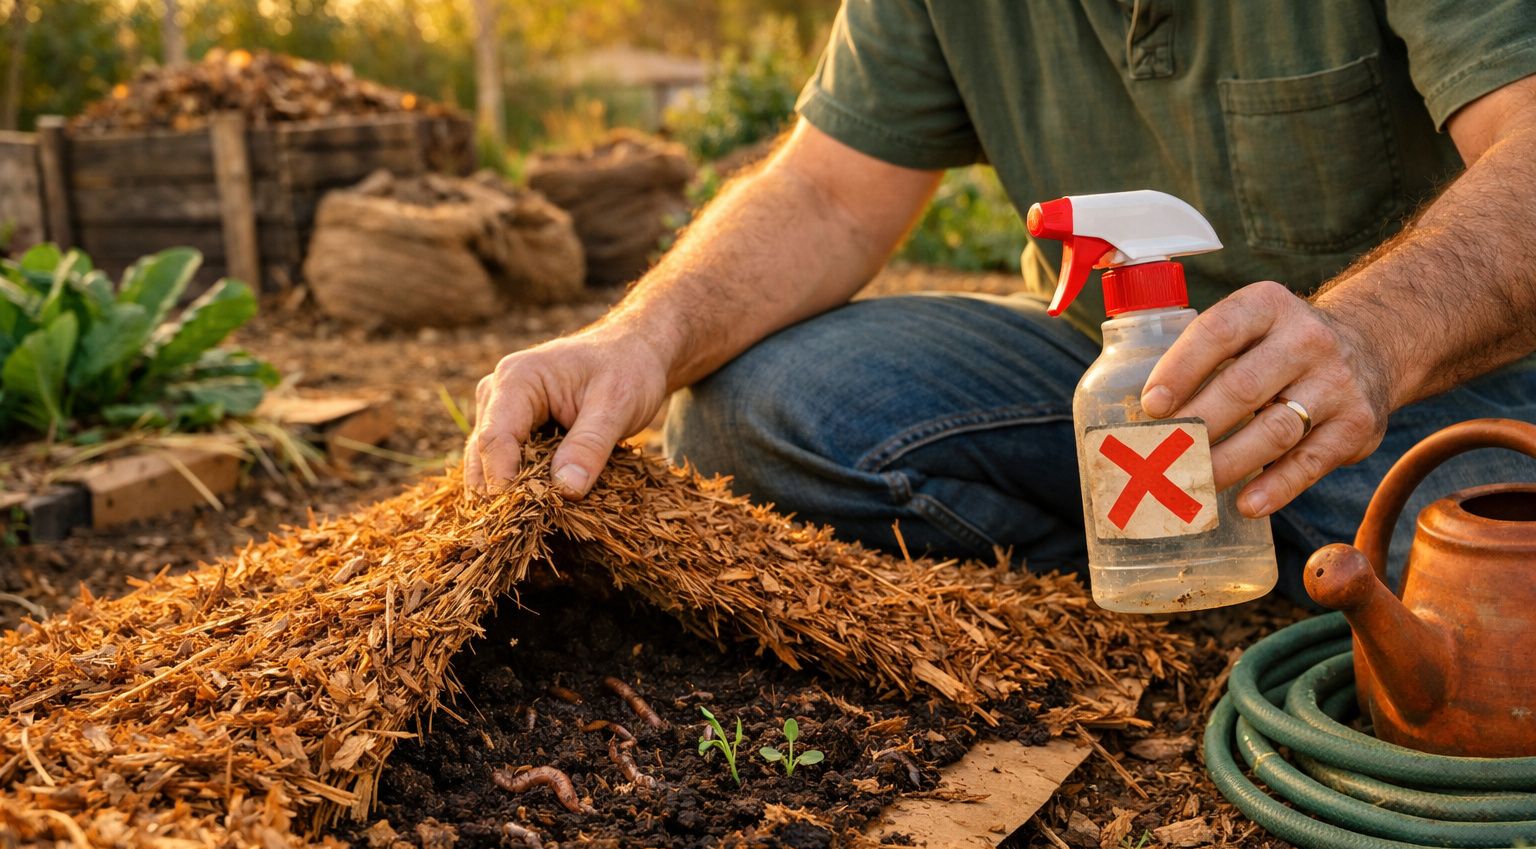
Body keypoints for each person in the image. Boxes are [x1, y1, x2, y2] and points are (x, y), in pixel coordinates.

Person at [464, 2, 1536, 600]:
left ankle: (1280, 574)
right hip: (1114, 384)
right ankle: (1167, 575)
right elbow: (827, 195)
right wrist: (639, 338)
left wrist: (1366, 338)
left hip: (1426, 395)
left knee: (1493, 586)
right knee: (759, 413)